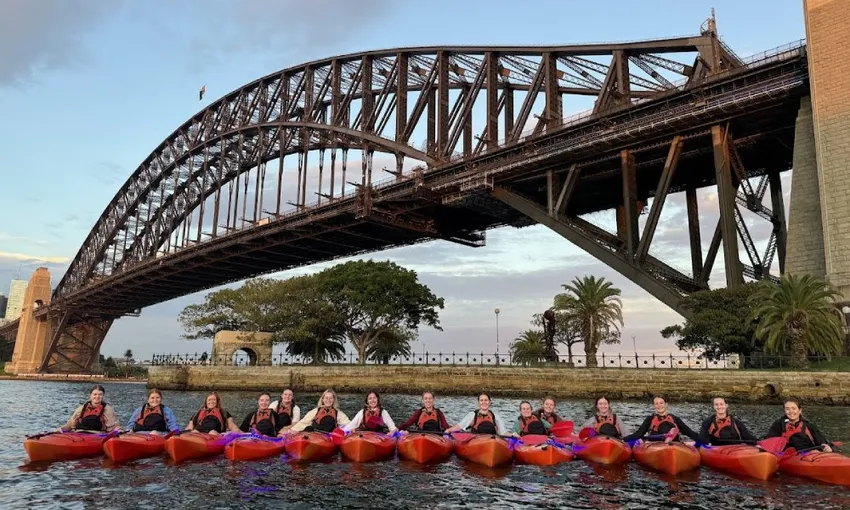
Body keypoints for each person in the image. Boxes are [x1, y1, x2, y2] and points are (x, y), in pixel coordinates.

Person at [764, 398, 833, 452]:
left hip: (807, 454)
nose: (791, 412)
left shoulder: (809, 426)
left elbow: (822, 443)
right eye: (787, 409)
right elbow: (769, 441)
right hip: (785, 454)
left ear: (799, 410)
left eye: (793, 408)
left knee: (799, 438)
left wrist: (827, 448)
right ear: (785, 411)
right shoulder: (778, 424)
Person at [622, 395, 698, 443]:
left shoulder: (675, 419)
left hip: (674, 444)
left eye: (661, 403)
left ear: (666, 405)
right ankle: (667, 440)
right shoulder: (650, 419)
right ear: (654, 406)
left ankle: (669, 439)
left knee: (671, 429)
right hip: (655, 444)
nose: (659, 406)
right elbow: (639, 434)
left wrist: (703, 439)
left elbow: (690, 433)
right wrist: (624, 440)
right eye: (656, 403)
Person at [285, 389, 351, 434]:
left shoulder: (339, 414)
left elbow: (347, 424)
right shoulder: (315, 411)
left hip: (328, 436)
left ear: (334, 400)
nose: (328, 400)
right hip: (315, 434)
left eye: (331, 398)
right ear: (323, 399)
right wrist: (293, 430)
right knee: (308, 428)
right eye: (326, 398)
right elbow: (304, 422)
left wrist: (351, 430)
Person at [445, 393, 509, 435]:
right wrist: (448, 430)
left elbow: (503, 432)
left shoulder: (495, 416)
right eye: (481, 400)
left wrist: (512, 435)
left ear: (489, 402)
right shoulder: (472, 415)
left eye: (486, 400)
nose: (484, 402)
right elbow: (460, 426)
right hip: (476, 440)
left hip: (492, 440)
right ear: (478, 403)